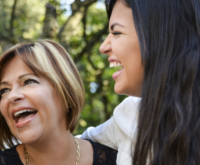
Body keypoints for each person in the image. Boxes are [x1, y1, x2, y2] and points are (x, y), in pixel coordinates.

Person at [82, 0, 200, 164]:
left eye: (116, 32)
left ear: (161, 36)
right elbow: (69, 148)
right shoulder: (128, 115)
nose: (103, 47)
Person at [0, 40, 117, 165]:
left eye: (29, 81)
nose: (11, 96)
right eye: (4, 90)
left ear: (66, 92)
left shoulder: (120, 159)